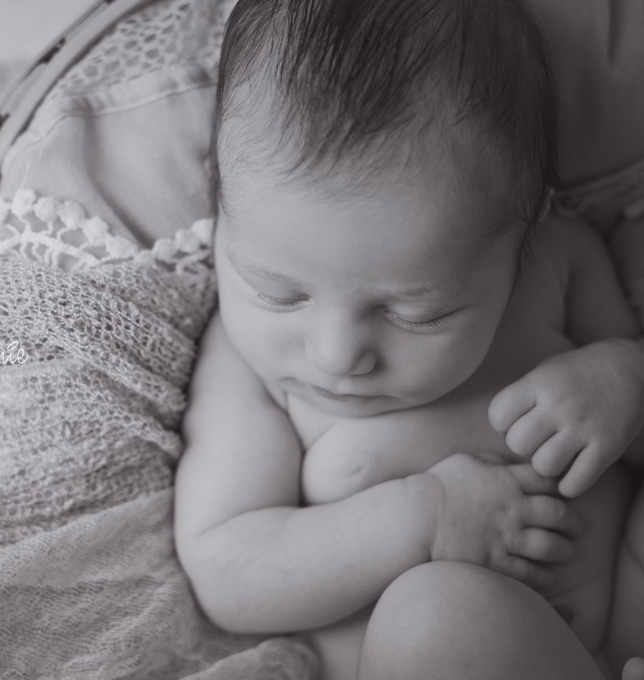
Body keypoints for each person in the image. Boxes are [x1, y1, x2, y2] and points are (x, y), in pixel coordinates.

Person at [172, 1, 644, 678]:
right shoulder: (247, 373)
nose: (337, 356)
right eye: (280, 294)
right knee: (435, 613)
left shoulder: (561, 266)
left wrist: (625, 381)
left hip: (624, 623)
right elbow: (229, 568)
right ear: (216, 203)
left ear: (522, 232)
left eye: (413, 313)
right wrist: (424, 516)